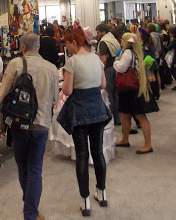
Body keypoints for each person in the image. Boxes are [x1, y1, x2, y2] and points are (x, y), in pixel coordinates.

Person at [0, 33, 59, 220]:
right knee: (35, 169)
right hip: (41, 125)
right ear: (38, 47)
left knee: (22, 166)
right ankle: (31, 212)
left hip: (18, 124)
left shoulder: (15, 64)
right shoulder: (51, 68)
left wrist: (0, 125)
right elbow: (55, 99)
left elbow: (2, 98)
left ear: (23, 47)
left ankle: (30, 209)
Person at [59, 28, 110, 215]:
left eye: (67, 43)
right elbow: (103, 85)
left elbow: (67, 91)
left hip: (80, 112)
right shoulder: (96, 59)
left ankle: (85, 201)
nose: (66, 47)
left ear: (74, 42)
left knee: (82, 155)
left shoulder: (72, 62)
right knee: (98, 152)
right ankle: (102, 193)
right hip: (98, 110)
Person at [113, 33, 156, 154]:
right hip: (134, 87)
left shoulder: (127, 52)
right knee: (125, 114)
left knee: (138, 116)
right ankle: (125, 139)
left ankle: (147, 145)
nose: (121, 41)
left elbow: (121, 68)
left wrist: (116, 62)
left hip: (129, 89)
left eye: (122, 39)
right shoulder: (136, 52)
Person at [96, 23, 121, 126]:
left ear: (103, 32)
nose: (97, 34)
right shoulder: (113, 39)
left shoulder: (103, 42)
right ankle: (118, 118)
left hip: (108, 70)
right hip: (116, 68)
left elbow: (103, 59)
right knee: (116, 94)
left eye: (98, 32)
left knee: (108, 94)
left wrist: (100, 71)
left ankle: (110, 118)